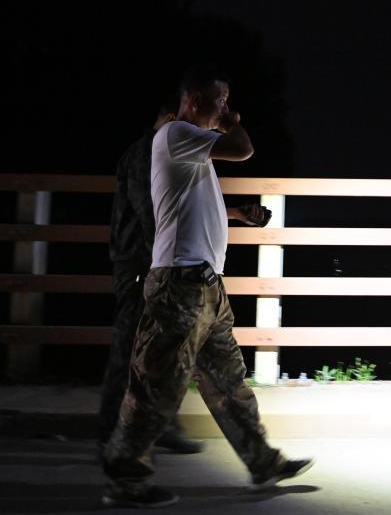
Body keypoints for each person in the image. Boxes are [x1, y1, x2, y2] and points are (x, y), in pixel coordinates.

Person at [101, 67, 313, 508]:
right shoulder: (176, 132)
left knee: (228, 382)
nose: (227, 108)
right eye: (221, 100)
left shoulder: (189, 146)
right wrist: (232, 123)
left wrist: (235, 214)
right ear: (196, 100)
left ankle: (262, 460)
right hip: (179, 284)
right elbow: (244, 149)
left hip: (205, 285)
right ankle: (126, 480)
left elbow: (189, 205)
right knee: (155, 385)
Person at [99, 96, 204, 457]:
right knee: (130, 347)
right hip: (137, 264)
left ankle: (160, 425)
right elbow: (150, 214)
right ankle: (110, 432)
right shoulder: (144, 155)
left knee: (162, 347)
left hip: (149, 261)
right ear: (170, 118)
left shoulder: (154, 152)